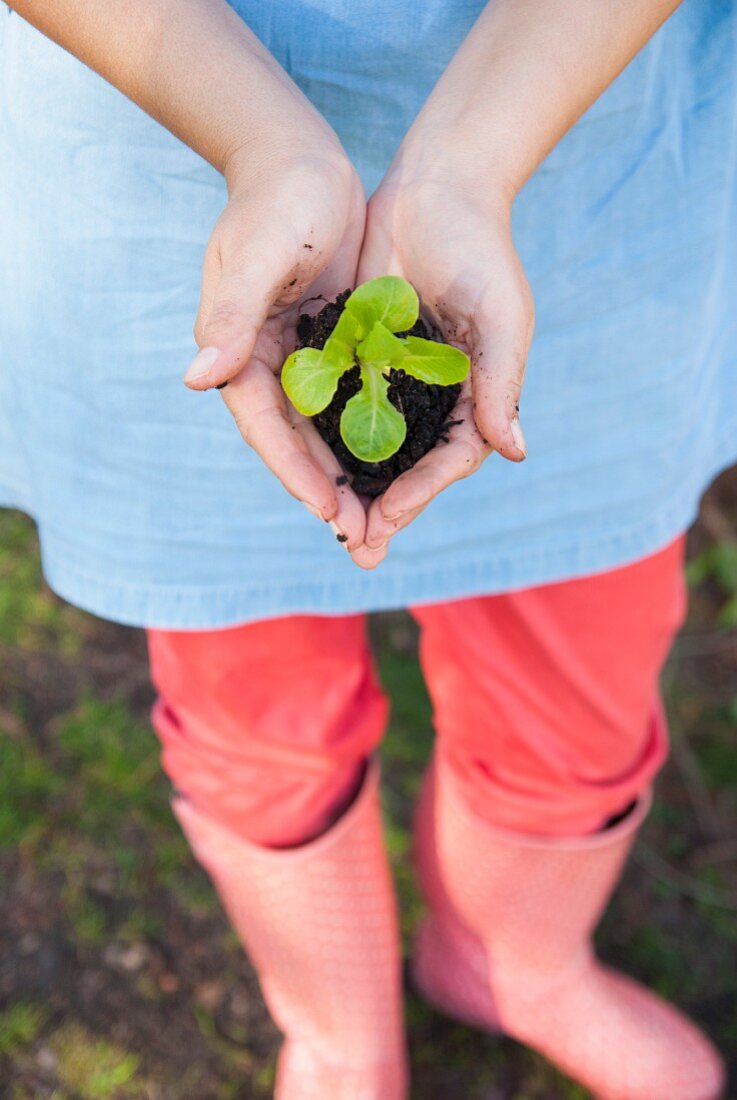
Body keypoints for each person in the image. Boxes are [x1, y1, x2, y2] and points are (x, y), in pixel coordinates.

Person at [1, 1, 733, 1097]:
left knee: (577, 674)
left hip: (580, 132)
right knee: (251, 695)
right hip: (166, 140)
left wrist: (465, 163)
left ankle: (509, 961)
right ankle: (334, 1016)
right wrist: (265, 142)